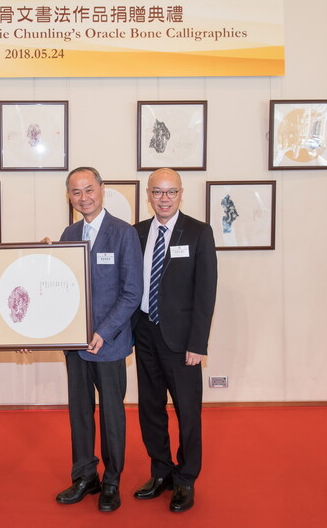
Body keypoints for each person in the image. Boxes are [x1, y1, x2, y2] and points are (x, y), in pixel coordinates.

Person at [53, 167, 143, 513]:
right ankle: (84, 476)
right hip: (74, 344)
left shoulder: (123, 234)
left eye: (89, 189)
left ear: (102, 190)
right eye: (76, 192)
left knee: (111, 414)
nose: (83, 197)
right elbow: (59, 286)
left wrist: (103, 332)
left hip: (110, 342)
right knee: (79, 411)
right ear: (69, 197)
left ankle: (112, 480)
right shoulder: (69, 232)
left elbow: (132, 292)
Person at [131, 168, 218, 513]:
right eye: (157, 192)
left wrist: (198, 343)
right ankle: (161, 471)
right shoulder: (136, 233)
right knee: (150, 409)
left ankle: (185, 478)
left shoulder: (198, 232)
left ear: (181, 194)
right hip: (144, 333)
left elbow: (205, 292)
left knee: (187, 412)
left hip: (182, 341)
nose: (164, 198)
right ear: (148, 195)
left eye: (170, 192)